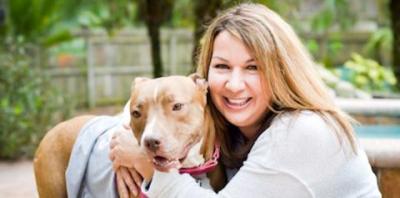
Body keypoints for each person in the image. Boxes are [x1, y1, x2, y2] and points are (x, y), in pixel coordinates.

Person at [109, 3, 381, 198]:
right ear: (206, 77)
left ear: (282, 70)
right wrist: (123, 145)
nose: (234, 84)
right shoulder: (228, 123)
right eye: (222, 66)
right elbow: (152, 103)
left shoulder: (301, 132)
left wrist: (148, 167)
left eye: (253, 67)